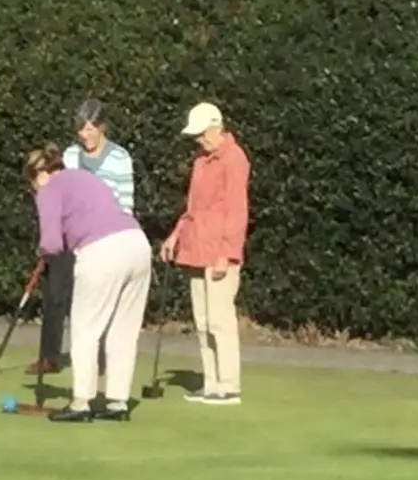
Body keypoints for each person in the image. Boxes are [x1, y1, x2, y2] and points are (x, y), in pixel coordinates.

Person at [27, 144, 153, 423]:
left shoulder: (49, 188)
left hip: (101, 250)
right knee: (123, 329)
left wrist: (43, 252)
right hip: (138, 244)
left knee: (85, 328)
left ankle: (81, 402)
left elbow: (51, 242)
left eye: (32, 185)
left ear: (39, 175)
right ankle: (117, 402)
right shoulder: (85, 177)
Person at [29, 99, 137, 376]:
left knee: (97, 300)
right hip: (70, 235)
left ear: (102, 127)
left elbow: (125, 203)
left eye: (90, 128)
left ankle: (101, 359)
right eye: (81, 129)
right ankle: (49, 358)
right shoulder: (71, 155)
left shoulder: (120, 158)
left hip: (103, 238)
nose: (85, 135)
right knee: (55, 296)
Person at [160, 102, 252, 406]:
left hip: (218, 254)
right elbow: (193, 208)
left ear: (216, 126)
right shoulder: (201, 161)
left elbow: (237, 211)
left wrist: (227, 254)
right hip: (195, 249)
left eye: (202, 134)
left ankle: (229, 386)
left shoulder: (234, 159)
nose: (199, 140)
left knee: (220, 321)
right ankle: (211, 383)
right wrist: (175, 235)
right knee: (202, 321)